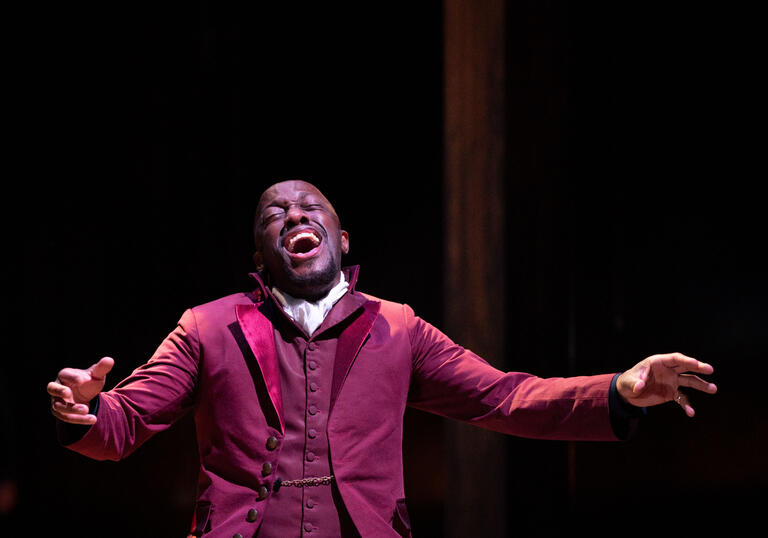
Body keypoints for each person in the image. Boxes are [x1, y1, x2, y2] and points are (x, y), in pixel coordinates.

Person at [47, 180, 718, 538]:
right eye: (272, 215)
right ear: (261, 259)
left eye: (308, 207)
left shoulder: (397, 328)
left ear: (339, 237)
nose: (291, 214)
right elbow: (124, 422)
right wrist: (84, 410)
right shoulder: (208, 327)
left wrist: (619, 390)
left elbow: (505, 397)